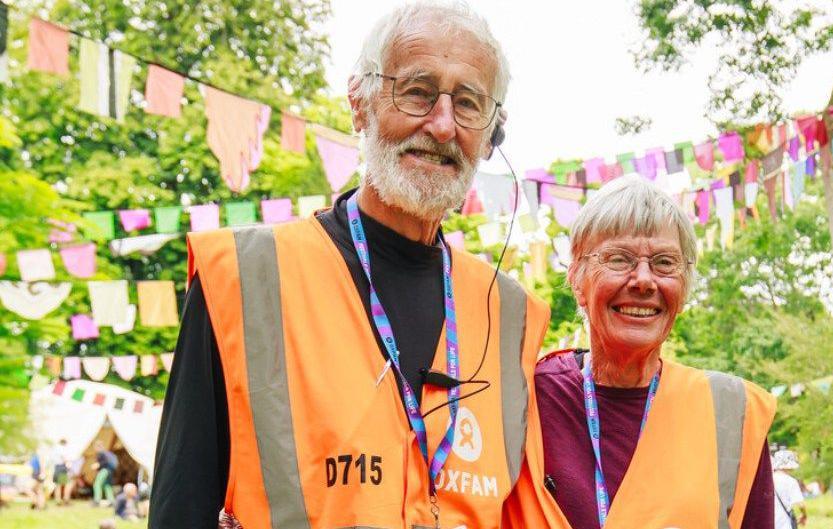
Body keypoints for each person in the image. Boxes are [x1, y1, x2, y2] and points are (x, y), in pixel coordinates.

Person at [148, 2, 550, 528]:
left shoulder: (515, 316)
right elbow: (180, 508)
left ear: (492, 134)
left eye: (469, 103)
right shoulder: (245, 279)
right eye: (417, 92)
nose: (442, 124)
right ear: (359, 104)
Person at [503, 176, 777, 528]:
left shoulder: (731, 413)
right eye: (619, 259)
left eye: (665, 262)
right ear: (577, 279)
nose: (644, 280)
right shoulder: (524, 400)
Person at [772, 450, 807, 528]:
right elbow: (800, 504)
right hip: (784, 524)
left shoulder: (768, 479)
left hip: (768, 522)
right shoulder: (791, 481)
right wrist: (804, 515)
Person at [92, 441, 117, 507]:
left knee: (97, 484)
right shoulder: (107, 453)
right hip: (109, 471)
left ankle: (97, 500)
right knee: (107, 486)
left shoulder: (101, 453)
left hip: (104, 471)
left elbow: (104, 462)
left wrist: (98, 465)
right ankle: (112, 501)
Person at [51, 438, 71, 505]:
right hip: (62, 468)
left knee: (58, 485)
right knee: (66, 484)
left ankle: (58, 500)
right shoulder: (62, 448)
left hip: (57, 468)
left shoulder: (56, 449)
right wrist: (68, 464)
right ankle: (66, 500)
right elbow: (64, 457)